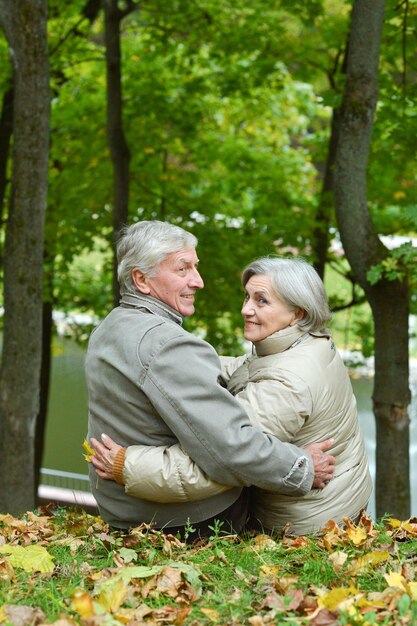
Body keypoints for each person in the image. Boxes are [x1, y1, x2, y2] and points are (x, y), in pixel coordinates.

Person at [91, 255, 372, 536]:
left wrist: (127, 465)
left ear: (297, 313)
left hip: (307, 526)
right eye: (247, 297)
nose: (246, 309)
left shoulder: (287, 383)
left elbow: (227, 459)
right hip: (340, 501)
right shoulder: (303, 344)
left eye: (261, 301)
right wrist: (175, 364)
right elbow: (242, 369)